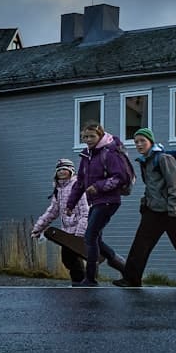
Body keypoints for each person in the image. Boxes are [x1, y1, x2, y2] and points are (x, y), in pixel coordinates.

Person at [113, 127, 176, 288]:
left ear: (150, 142)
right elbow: (151, 186)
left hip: (172, 210)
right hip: (153, 210)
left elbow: (175, 185)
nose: (139, 144)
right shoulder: (145, 161)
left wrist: (174, 208)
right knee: (141, 243)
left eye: (142, 141)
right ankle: (131, 279)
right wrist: (145, 202)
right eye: (136, 142)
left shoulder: (163, 158)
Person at [65, 122, 128, 286]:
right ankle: (127, 269)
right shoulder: (87, 155)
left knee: (90, 236)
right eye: (85, 136)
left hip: (109, 201)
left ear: (100, 135)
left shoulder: (109, 152)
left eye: (92, 136)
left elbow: (119, 177)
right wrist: (70, 204)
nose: (88, 139)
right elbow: (79, 183)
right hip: (97, 202)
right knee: (96, 239)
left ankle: (90, 279)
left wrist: (98, 186)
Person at [31, 158, 91, 285]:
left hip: (78, 230)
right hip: (67, 230)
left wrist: (80, 234)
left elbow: (85, 212)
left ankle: (80, 282)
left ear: (71, 171)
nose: (62, 172)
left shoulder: (77, 186)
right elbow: (52, 211)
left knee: (73, 258)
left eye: (65, 169)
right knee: (67, 259)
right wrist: (38, 228)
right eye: (59, 170)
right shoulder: (58, 190)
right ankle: (80, 281)